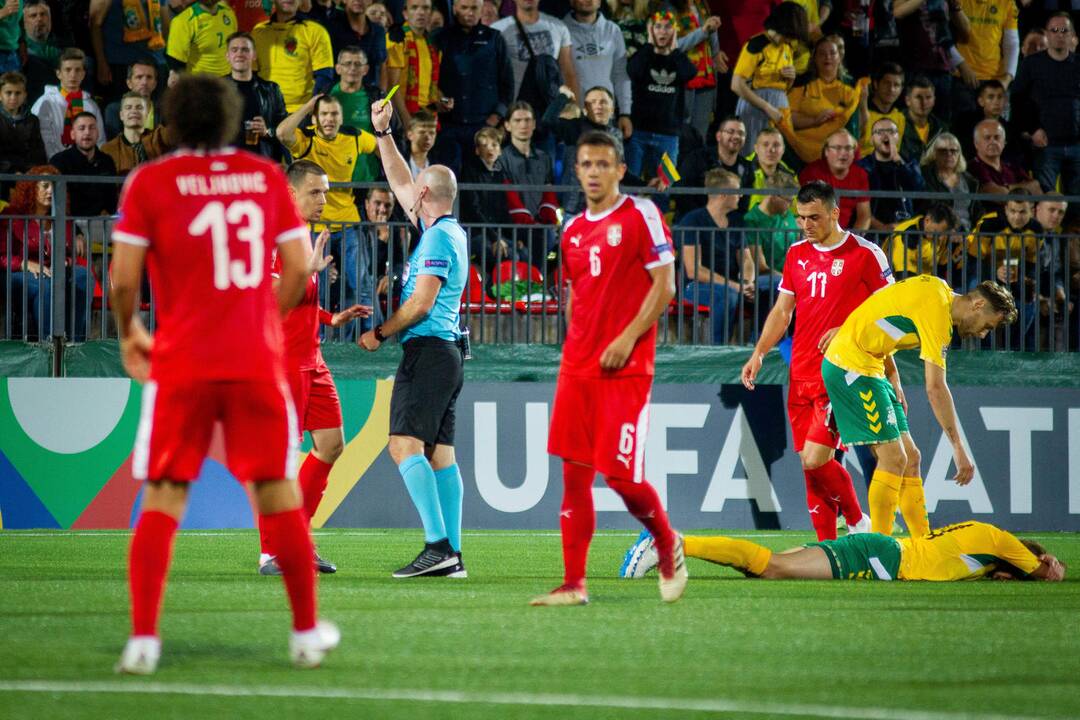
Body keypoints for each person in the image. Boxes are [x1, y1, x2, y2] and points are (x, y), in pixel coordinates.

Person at [110, 75, 339, 675]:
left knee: (164, 493)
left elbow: (123, 280)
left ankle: (142, 640)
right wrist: (264, 317)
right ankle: (306, 634)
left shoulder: (150, 181)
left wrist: (131, 332)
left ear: (172, 119)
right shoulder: (264, 179)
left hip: (181, 360)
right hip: (252, 361)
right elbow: (296, 269)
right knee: (277, 491)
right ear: (233, 118)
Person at [531, 130, 686, 607]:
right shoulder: (573, 229)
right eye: (586, 164)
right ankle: (573, 583)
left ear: (620, 169)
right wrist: (577, 344)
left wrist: (624, 338)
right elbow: (576, 296)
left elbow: (665, 287)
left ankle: (666, 542)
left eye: (603, 164)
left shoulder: (642, 214)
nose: (594, 172)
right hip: (577, 369)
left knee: (620, 478)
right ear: (576, 171)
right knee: (573, 477)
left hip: (627, 368)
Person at [358, 94, 470, 580]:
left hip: (427, 349)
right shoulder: (446, 228)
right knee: (439, 454)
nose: (407, 193)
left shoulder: (439, 238)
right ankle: (453, 555)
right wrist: (384, 134)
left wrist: (380, 332)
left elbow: (421, 302)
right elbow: (401, 178)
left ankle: (438, 546)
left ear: (426, 197)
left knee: (403, 446)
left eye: (415, 191)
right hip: (447, 353)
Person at [741, 180, 886, 541]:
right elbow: (782, 310)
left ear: (836, 213)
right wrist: (759, 352)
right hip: (800, 374)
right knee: (812, 468)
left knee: (815, 459)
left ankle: (857, 522)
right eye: (801, 217)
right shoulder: (796, 254)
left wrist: (847, 328)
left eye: (814, 217)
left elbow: (889, 313)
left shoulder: (866, 254)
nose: (806, 225)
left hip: (840, 374)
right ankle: (828, 548)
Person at [821, 276, 1018, 536]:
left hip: (871, 365)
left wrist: (853, 331)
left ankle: (923, 542)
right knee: (894, 458)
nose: (982, 334)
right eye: (988, 327)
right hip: (850, 366)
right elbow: (935, 388)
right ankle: (878, 548)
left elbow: (884, 304)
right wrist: (958, 448)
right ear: (978, 304)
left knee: (911, 458)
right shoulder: (939, 317)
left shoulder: (938, 287)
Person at [257, 159, 372, 576]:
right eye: (316, 192)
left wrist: (329, 318)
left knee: (331, 446)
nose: (324, 199)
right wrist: (301, 269)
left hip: (313, 359)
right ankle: (272, 552)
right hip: (282, 361)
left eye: (325, 191)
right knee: (281, 459)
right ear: (290, 193)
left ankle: (296, 539)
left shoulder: (302, 235)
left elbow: (299, 296)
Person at [621, 520, 1066, 583]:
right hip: (882, 558)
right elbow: (1046, 573)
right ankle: (670, 543)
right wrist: (1051, 564)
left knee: (764, 569)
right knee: (773, 568)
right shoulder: (1002, 541)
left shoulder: (979, 542)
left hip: (880, 547)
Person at [277, 93, 378, 340]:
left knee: (362, 286)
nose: (329, 119)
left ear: (341, 117)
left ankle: (371, 340)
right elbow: (281, 133)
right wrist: (309, 105)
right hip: (312, 228)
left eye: (334, 114)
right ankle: (317, 338)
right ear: (315, 117)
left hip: (347, 223)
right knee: (314, 287)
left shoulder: (354, 137)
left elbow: (381, 146)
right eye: (323, 114)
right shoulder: (306, 139)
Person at [0, 165, 89, 341]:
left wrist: (65, 261)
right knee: (45, 285)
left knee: (82, 275)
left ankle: (75, 342)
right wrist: (25, 263)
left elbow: (69, 253)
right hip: (17, 272)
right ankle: (49, 344)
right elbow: (2, 256)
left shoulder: (61, 216)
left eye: (55, 186)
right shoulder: (12, 215)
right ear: (32, 188)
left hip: (51, 270)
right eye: (45, 186)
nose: (51, 191)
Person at [431, 0, 514, 174]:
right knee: (448, 180)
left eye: (474, 8)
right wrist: (439, 99)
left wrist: (497, 115)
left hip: (483, 125)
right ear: (454, 9)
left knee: (480, 182)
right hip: (448, 125)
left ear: (481, 8)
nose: (469, 12)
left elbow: (507, 84)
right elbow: (430, 79)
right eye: (464, 8)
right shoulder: (439, 38)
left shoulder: (494, 38)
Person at [1010, 12, 1080, 214]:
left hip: (1077, 144)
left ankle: (1073, 244)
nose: (1059, 34)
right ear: (1047, 35)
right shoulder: (1031, 65)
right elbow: (1018, 100)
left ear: (1072, 35)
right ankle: (1046, 244)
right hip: (1047, 145)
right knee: (1046, 203)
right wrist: (1033, 130)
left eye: (1064, 30)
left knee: (1076, 205)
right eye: (1054, 30)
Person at [674, 168, 748, 345]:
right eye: (737, 192)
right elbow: (694, 270)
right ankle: (717, 349)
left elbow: (746, 259)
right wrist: (735, 286)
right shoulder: (692, 221)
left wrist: (747, 282)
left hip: (734, 284)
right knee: (727, 295)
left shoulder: (737, 221)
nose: (741, 196)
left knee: (773, 287)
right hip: (695, 286)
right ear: (723, 194)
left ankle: (760, 347)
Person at [624, 10, 695, 179]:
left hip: (668, 136)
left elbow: (689, 73)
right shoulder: (643, 55)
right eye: (658, 27)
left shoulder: (679, 60)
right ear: (651, 30)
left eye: (668, 27)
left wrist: (675, 49)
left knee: (666, 185)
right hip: (638, 133)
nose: (663, 31)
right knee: (630, 184)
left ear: (675, 31)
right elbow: (632, 71)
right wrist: (649, 45)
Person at [731, 2, 808, 155]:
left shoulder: (787, 48)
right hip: (756, 107)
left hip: (780, 108)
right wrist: (767, 107)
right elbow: (736, 84)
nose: (792, 39)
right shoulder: (756, 44)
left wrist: (791, 78)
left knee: (780, 156)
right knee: (752, 155)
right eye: (791, 35)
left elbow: (785, 88)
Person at [778, 35, 866, 165]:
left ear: (839, 57)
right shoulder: (801, 83)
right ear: (814, 58)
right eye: (822, 53)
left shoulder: (852, 86)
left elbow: (859, 123)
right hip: (802, 153)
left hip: (840, 154)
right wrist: (814, 121)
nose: (827, 57)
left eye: (832, 53)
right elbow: (788, 118)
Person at [563, 0, 632, 140]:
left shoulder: (613, 30)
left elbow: (621, 75)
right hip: (572, 118)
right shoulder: (559, 29)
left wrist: (625, 113)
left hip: (606, 118)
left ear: (600, 2)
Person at [252, 0, 335, 112]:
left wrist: (310, 109)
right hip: (264, 110)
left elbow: (324, 76)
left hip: (300, 112)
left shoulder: (316, 31)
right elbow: (251, 74)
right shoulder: (258, 32)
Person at [31, 47, 106, 159]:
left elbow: (100, 139)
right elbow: (44, 140)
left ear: (83, 74)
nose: (73, 75)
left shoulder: (91, 105)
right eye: (68, 70)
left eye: (77, 70)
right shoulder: (45, 102)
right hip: (55, 165)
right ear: (58, 73)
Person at [224, 31, 288, 159]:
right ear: (227, 56)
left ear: (254, 55)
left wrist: (267, 131)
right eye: (234, 50)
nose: (239, 54)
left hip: (262, 162)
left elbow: (285, 130)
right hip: (227, 163)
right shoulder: (215, 90)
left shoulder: (271, 90)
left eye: (245, 50)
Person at [674, 116, 752, 219]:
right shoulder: (697, 158)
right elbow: (682, 193)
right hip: (694, 222)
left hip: (727, 226)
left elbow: (743, 205)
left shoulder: (747, 167)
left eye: (741, 133)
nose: (736, 136)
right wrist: (706, 218)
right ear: (718, 136)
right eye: (731, 132)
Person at [857, 117, 925, 231]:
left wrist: (899, 161)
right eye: (880, 132)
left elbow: (918, 188)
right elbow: (857, 205)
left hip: (903, 232)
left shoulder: (909, 163)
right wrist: (881, 227)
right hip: (872, 231)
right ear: (872, 139)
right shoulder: (863, 166)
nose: (886, 136)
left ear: (898, 137)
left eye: (891, 132)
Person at [329, 46, 385, 182]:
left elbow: (393, 132)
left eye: (358, 64)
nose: (352, 68)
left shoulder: (376, 98)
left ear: (365, 69)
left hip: (368, 176)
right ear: (338, 68)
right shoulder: (325, 96)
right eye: (347, 63)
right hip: (333, 178)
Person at [798, 128, 870, 231]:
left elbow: (864, 216)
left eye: (848, 148)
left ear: (854, 153)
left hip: (846, 235)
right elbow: (805, 213)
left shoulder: (860, 174)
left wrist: (852, 241)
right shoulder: (812, 172)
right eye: (837, 148)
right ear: (826, 151)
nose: (843, 153)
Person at [385, 0, 444, 127]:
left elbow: (431, 84)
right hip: (403, 118)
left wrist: (443, 100)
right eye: (414, 8)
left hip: (427, 119)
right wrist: (406, 121)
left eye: (425, 8)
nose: (420, 12)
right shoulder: (396, 39)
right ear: (405, 13)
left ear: (431, 13)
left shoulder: (433, 44)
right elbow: (392, 86)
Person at [48, 112, 118, 218]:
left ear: (98, 133)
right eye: (82, 128)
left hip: (101, 224)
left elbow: (112, 199)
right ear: (72, 134)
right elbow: (55, 203)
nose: (87, 132)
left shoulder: (107, 161)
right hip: (68, 224)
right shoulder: (59, 161)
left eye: (92, 128)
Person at [100, 92, 175, 174]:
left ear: (146, 114)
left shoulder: (159, 138)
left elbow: (180, 129)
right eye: (128, 108)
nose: (134, 111)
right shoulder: (108, 149)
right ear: (121, 115)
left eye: (139, 107)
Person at [165, 0, 239, 82]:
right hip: (200, 84)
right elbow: (175, 61)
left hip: (228, 81)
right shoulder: (183, 21)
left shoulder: (229, 13)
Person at [886, 203, 961, 282]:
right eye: (937, 233)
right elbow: (903, 277)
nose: (941, 238)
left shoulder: (941, 235)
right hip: (899, 282)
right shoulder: (906, 237)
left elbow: (942, 268)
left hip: (924, 281)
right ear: (927, 220)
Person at [919, 132, 978, 230]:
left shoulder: (969, 181)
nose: (949, 154)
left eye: (954, 151)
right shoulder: (925, 176)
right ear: (934, 153)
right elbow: (928, 207)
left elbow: (975, 211)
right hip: (938, 231)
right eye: (943, 151)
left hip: (967, 233)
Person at [969, 118, 1041, 197]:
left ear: (1004, 143)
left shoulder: (1011, 166)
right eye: (987, 138)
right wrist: (1022, 188)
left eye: (997, 137)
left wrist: (1007, 188)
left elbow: (1036, 187)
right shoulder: (973, 167)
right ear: (976, 143)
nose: (993, 142)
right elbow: (999, 196)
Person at [324, 0, 388, 88]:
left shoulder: (378, 31)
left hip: (370, 97)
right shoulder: (330, 28)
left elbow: (382, 66)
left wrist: (382, 95)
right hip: (337, 96)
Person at [0, 72, 48, 173]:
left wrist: (30, 172)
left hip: (27, 175)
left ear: (25, 95)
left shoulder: (33, 121)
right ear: (0, 95)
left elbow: (38, 154)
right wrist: (12, 171)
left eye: (18, 93)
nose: (13, 97)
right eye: (8, 93)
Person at [858, 62, 905, 158]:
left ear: (901, 90)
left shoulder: (900, 118)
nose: (891, 89)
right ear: (876, 84)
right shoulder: (861, 112)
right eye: (887, 83)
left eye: (896, 85)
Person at [103, 62, 160, 140]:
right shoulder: (113, 110)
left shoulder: (164, 110)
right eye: (139, 77)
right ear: (129, 83)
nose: (144, 82)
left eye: (149, 77)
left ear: (155, 84)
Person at [899, 75, 945, 163]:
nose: (924, 102)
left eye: (928, 97)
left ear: (934, 100)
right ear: (908, 100)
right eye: (918, 97)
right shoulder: (893, 125)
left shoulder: (942, 128)